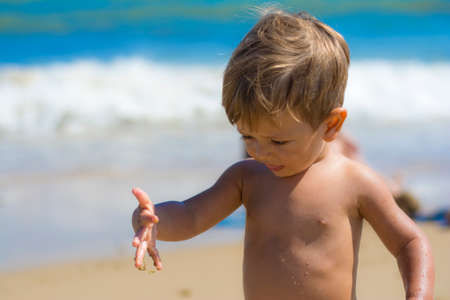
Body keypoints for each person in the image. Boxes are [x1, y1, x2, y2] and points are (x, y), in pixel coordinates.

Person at [131, 10, 434, 300]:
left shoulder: (355, 182)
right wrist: (153, 221)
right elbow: (191, 215)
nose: (259, 151)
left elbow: (409, 242)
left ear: (330, 125)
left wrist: (417, 294)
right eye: (247, 136)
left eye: (278, 140)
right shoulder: (246, 178)